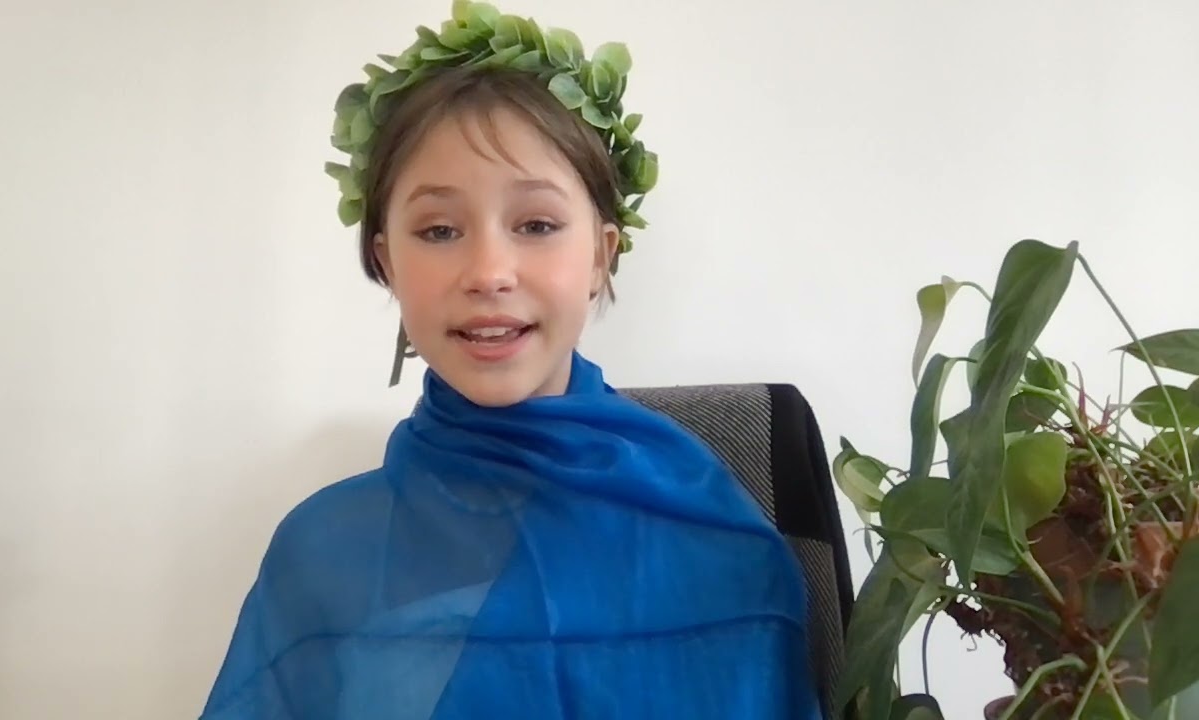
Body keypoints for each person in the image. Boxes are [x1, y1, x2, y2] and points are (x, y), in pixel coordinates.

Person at [199, 4, 822, 718]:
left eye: (536, 225)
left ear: (600, 254)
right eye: (438, 229)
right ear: (386, 262)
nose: (489, 270)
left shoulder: (720, 542)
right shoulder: (319, 557)